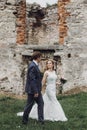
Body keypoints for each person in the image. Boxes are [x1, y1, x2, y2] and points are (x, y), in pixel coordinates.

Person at [21, 51, 44, 125]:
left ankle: (41, 121)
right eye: (40, 57)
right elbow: (32, 80)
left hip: (37, 90)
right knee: (29, 105)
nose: (41, 59)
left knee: (41, 103)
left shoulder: (35, 65)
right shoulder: (32, 66)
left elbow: (37, 78)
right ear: (37, 58)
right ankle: (24, 121)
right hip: (33, 90)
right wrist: (36, 91)